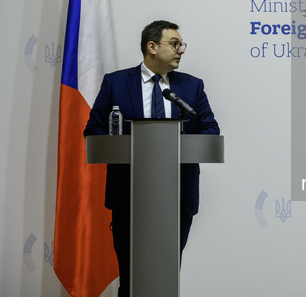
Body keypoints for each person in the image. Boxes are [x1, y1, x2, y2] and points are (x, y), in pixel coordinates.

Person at [84, 20, 220, 296]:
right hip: (129, 197)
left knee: (166, 273)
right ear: (152, 47)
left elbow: (210, 130)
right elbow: (93, 130)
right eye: (174, 43)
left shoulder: (191, 87)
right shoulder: (117, 83)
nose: (181, 50)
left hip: (177, 198)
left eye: (181, 44)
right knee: (132, 278)